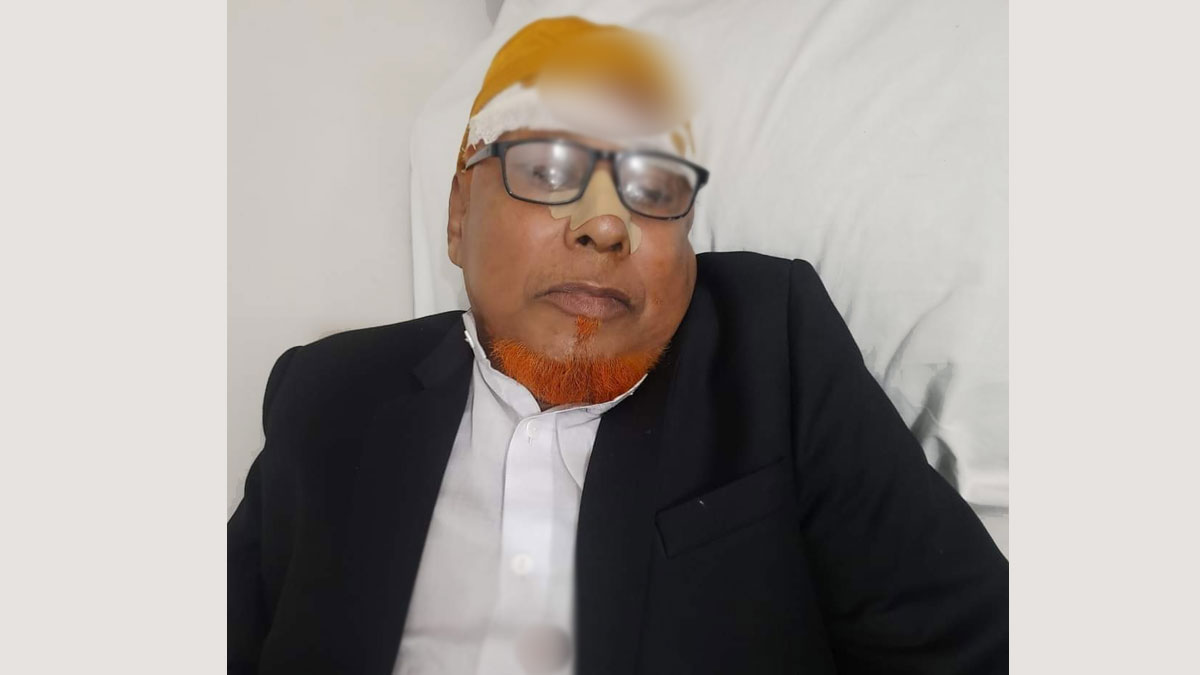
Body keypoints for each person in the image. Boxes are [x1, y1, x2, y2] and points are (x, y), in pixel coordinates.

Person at [228, 16, 1008, 675]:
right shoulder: (329, 396)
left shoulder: (772, 347)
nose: (606, 224)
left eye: (653, 187)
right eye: (548, 169)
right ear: (459, 214)